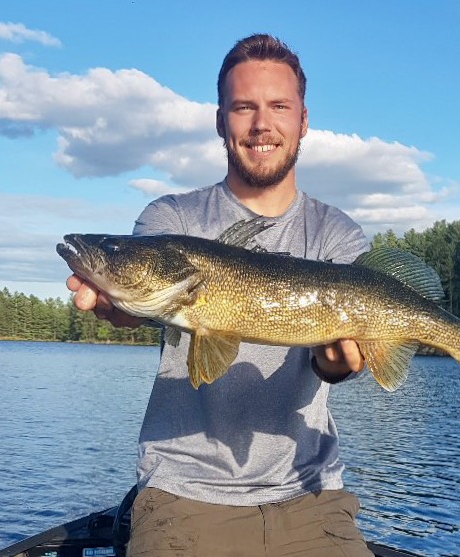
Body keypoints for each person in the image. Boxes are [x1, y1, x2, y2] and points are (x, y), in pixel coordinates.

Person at [67, 34, 374, 557]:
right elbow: (137, 310)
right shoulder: (171, 220)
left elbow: (343, 365)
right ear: (220, 122)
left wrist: (338, 363)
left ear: (303, 120)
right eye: (243, 107)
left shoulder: (337, 236)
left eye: (279, 106)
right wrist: (120, 305)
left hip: (311, 494)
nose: (262, 124)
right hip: (183, 496)